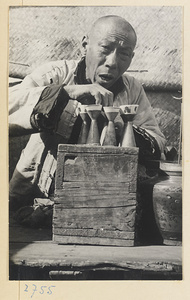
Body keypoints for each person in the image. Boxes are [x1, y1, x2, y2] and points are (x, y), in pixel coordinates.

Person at [9, 15, 166, 212]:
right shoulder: (55, 75)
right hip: (32, 199)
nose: (112, 62)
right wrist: (66, 92)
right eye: (105, 49)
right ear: (85, 45)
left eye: (124, 54)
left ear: (131, 58)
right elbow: (8, 107)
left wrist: (119, 126)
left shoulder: (132, 89)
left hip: (101, 202)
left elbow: (157, 143)